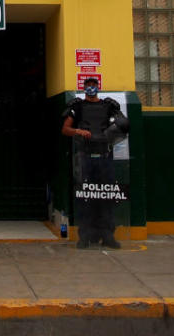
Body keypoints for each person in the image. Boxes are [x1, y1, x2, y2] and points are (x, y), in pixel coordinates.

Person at [61, 77, 129, 249]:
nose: (91, 88)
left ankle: (107, 235)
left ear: (98, 87)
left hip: (105, 157)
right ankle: (85, 236)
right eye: (88, 85)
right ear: (83, 88)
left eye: (93, 85)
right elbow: (65, 129)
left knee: (106, 197)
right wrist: (79, 131)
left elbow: (123, 124)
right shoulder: (77, 106)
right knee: (86, 197)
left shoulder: (108, 106)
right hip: (86, 157)